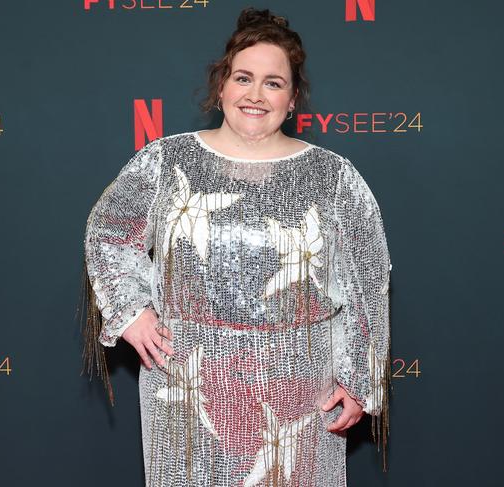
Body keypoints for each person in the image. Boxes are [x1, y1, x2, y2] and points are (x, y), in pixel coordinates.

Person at [81, 7, 393, 486]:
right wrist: (130, 312)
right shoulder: (167, 161)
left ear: (292, 101)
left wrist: (358, 379)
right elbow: (108, 232)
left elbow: (366, 283)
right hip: (187, 385)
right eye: (243, 77)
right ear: (221, 87)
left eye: (274, 82)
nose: (255, 94)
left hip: (299, 389)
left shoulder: (334, 177)